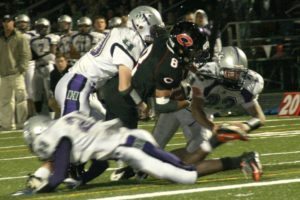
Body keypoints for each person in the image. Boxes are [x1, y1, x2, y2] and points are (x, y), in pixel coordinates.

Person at [13, 111, 261, 195]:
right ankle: (241, 158)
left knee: (185, 174)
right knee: (183, 167)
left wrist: (38, 191)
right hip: (132, 141)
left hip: (132, 147)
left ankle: (221, 140)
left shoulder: (60, 137)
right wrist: (82, 181)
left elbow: (56, 177)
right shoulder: (68, 122)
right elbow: (100, 164)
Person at [152, 46, 265, 179]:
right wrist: (212, 127)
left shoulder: (249, 83)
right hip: (183, 105)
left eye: (238, 73)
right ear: (219, 68)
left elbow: (259, 117)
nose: (234, 77)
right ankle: (146, 164)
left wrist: (245, 126)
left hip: (205, 112)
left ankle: (152, 164)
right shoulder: (205, 76)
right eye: (229, 72)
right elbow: (196, 108)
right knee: (155, 145)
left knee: (191, 155)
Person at [54, 6, 164, 118]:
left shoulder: (124, 33)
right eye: (154, 29)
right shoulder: (131, 42)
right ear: (140, 25)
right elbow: (124, 87)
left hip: (83, 88)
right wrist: (142, 105)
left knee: (106, 130)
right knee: (73, 130)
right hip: (76, 85)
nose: (155, 34)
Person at [0, 14, 31, 131]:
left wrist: (21, 69)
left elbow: (26, 54)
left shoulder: (20, 37)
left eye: (9, 21)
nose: (7, 23)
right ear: (2, 23)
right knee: (5, 101)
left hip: (17, 73)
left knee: (21, 99)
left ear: (13, 22)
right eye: (5, 21)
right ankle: (7, 125)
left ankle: (22, 124)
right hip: (3, 74)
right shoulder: (0, 37)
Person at [30, 18, 60, 114]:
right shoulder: (32, 39)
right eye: (39, 27)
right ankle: (38, 114)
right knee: (36, 93)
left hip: (48, 66)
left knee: (50, 93)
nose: (41, 29)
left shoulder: (52, 37)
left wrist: (39, 56)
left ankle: (53, 115)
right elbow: (31, 55)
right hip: (37, 67)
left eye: (43, 27)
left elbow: (52, 54)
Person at [15, 14, 39, 117]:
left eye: (24, 22)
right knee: (19, 91)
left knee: (30, 90)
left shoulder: (33, 35)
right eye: (20, 22)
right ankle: (22, 115)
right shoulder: (12, 35)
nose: (22, 24)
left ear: (28, 23)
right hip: (17, 65)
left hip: (30, 63)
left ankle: (32, 114)